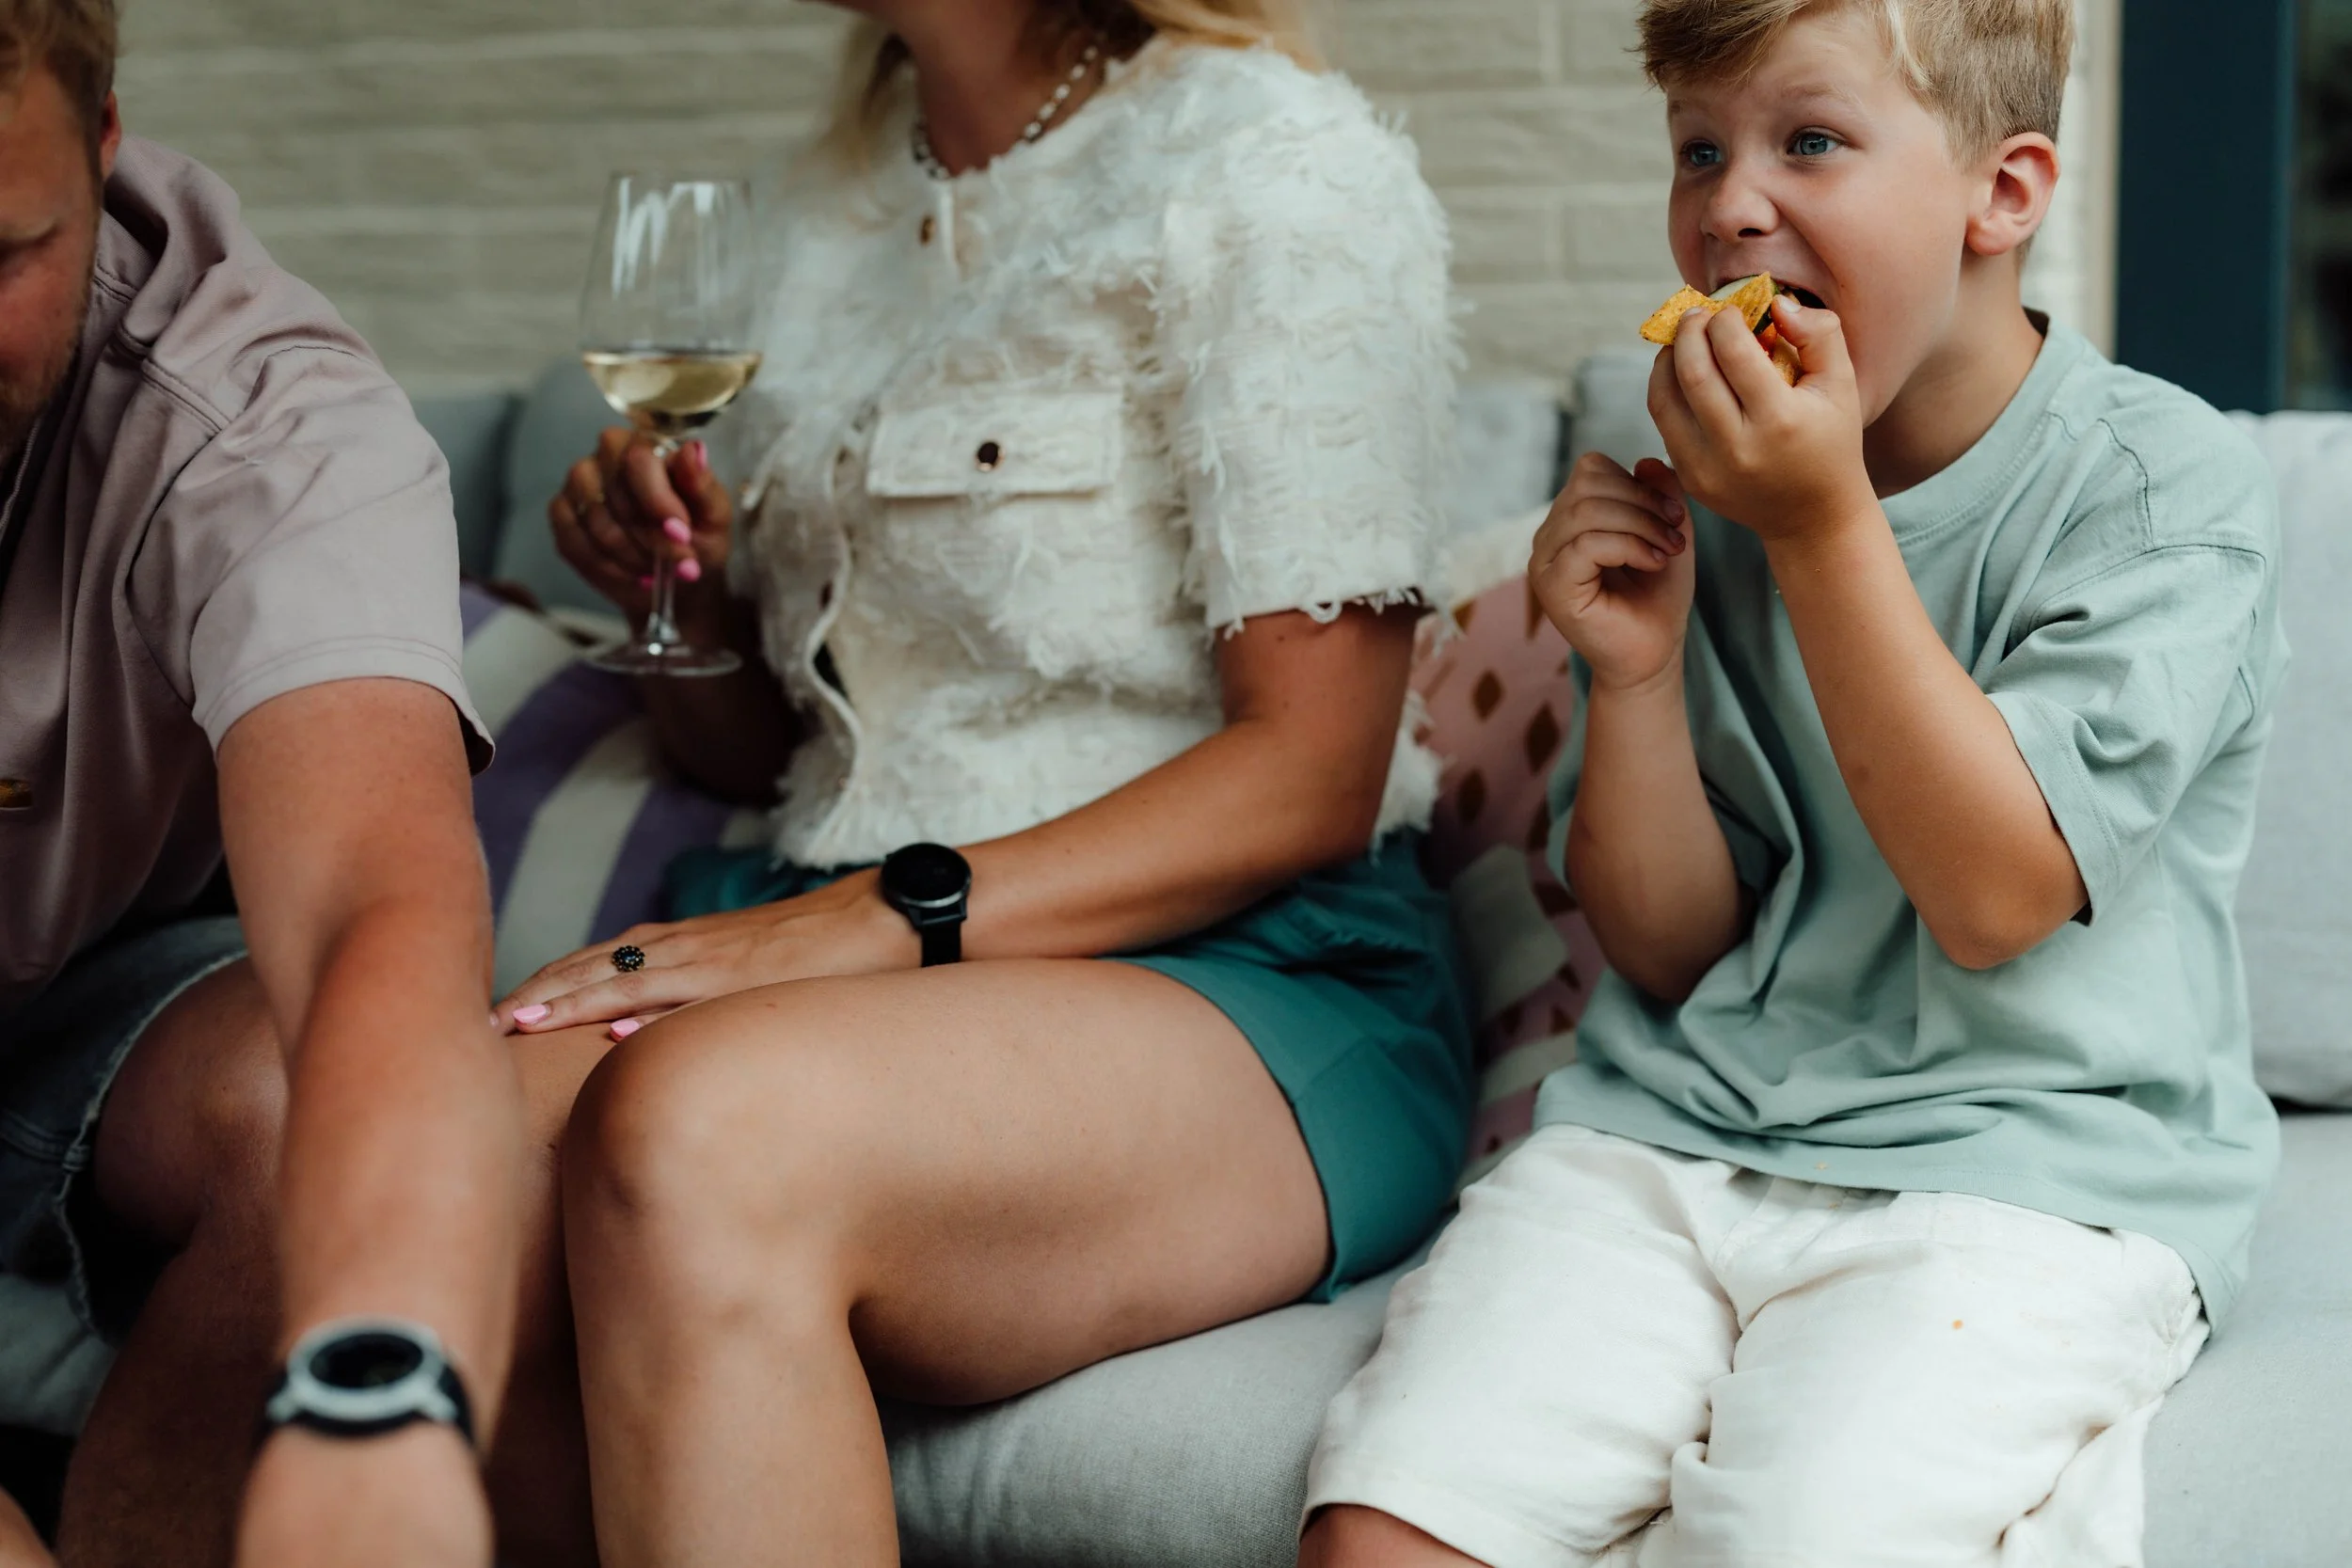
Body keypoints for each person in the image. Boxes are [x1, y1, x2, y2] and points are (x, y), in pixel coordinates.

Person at [1300, 1, 2286, 1564]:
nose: (1730, 204)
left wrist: (1827, 526)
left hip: (2032, 1171)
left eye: (1808, 140)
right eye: (1700, 147)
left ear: (2005, 192)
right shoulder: (1706, 479)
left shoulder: (2165, 492)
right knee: (1391, 1523)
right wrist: (1627, 676)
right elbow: (1675, 948)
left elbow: (1994, 894)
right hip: (1676, 1131)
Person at [499, 0, 1472, 1560]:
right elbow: (774, 752)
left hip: (1241, 971)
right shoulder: (818, 208)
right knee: (451, 1138)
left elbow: (1311, 775)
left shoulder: (1271, 163)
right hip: (852, 934)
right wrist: (669, 592)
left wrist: (866, 926)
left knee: (693, 1122)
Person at [0, 2, 531, 1563]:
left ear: (106, 153)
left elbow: (377, 900)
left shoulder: (260, 420)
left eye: (1, 253)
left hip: (84, 1005)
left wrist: (383, 1400)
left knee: (313, 1090)